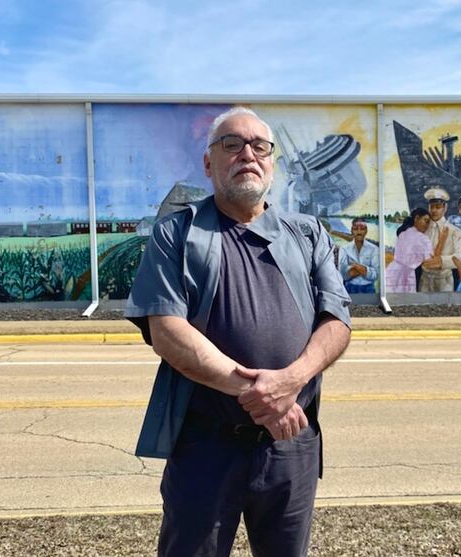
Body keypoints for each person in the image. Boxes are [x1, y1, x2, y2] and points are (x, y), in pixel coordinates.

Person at [124, 107, 351, 557]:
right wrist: (265, 397)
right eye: (231, 144)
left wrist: (289, 384)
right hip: (206, 445)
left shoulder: (307, 234)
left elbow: (337, 320)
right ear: (209, 163)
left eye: (259, 146)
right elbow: (168, 330)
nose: (247, 153)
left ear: (272, 162)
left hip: (290, 443)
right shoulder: (177, 232)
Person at [385, 207, 445, 293]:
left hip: (392, 271)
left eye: (429, 223)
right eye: (426, 221)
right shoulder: (423, 239)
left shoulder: (403, 233)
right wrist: (442, 239)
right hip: (406, 276)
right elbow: (431, 260)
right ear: (416, 218)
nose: (427, 225)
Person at [420, 187, 461, 292]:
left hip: (444, 281)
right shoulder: (423, 230)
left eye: (438, 207)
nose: (434, 210)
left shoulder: (455, 231)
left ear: (445, 208)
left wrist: (440, 261)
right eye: (432, 207)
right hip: (425, 279)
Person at [338, 217, 379, 294]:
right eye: (356, 229)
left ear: (366, 231)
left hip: (368, 289)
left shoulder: (374, 249)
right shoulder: (344, 249)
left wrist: (356, 267)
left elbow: (376, 274)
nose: (359, 232)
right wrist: (364, 270)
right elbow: (342, 274)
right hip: (349, 288)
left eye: (362, 229)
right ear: (352, 230)